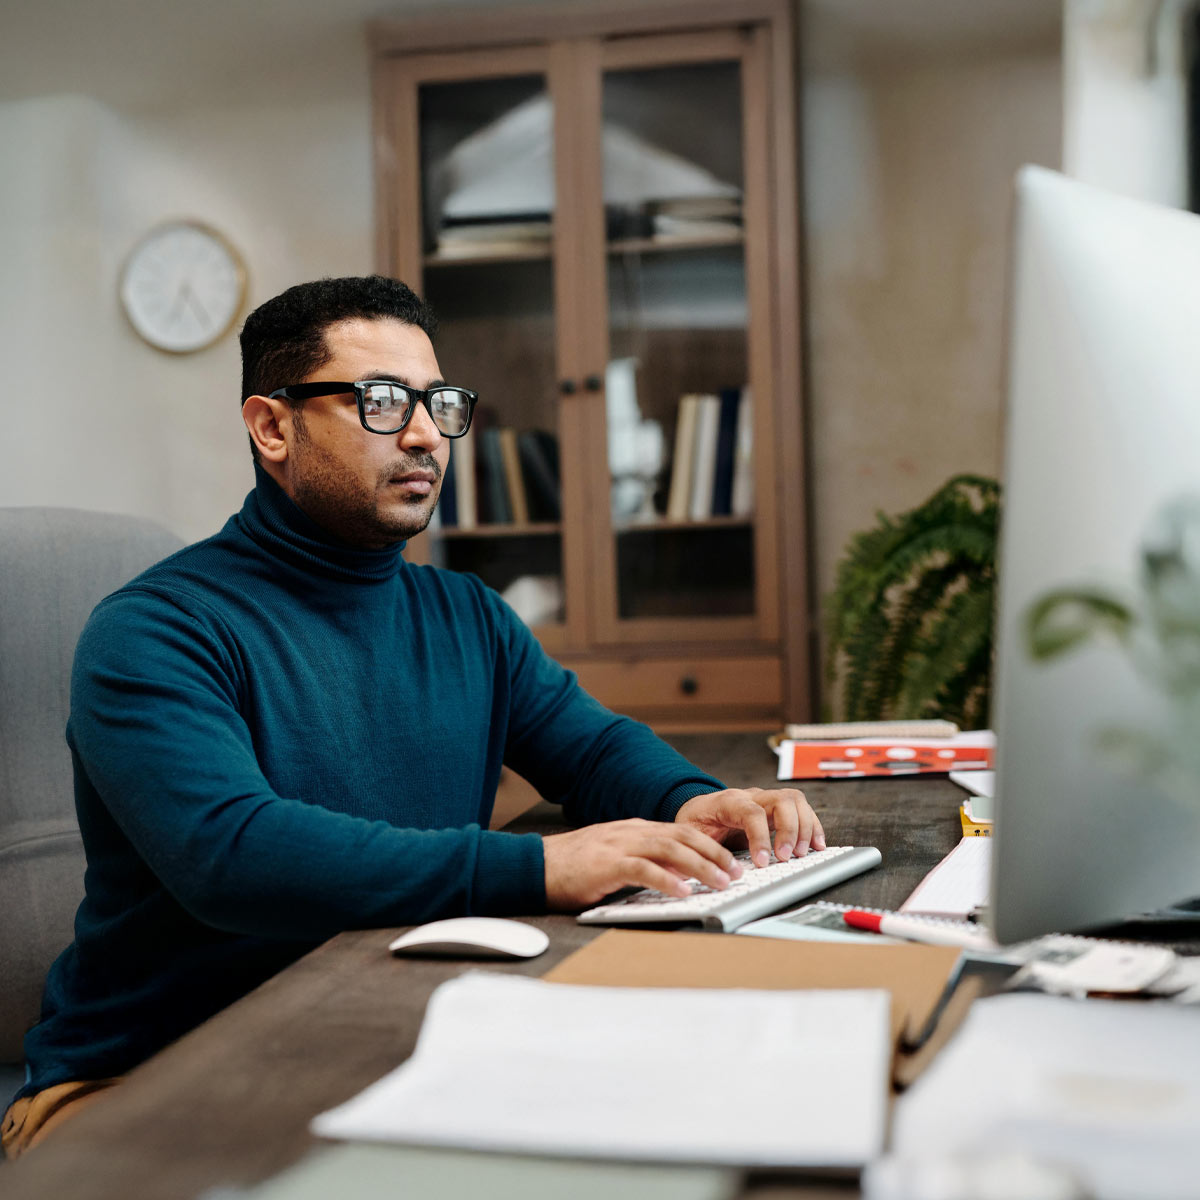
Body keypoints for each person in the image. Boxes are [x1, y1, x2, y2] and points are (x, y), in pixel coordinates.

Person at [2, 276, 823, 1159]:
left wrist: (685, 799)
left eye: (440, 404)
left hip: (389, 1035)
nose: (428, 434)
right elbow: (231, 855)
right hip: (151, 1075)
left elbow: (589, 748)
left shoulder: (466, 612)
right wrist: (539, 866)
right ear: (273, 426)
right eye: (384, 402)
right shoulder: (155, 629)